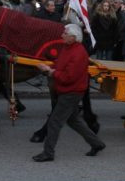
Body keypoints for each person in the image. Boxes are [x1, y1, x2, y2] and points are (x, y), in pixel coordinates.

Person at [32, 23, 105, 162]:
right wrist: (49, 67)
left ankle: (48, 153)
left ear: (73, 37)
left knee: (54, 122)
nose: (62, 35)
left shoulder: (78, 53)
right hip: (70, 90)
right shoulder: (68, 48)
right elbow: (60, 65)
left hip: (71, 92)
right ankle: (97, 144)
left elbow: (68, 77)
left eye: (65, 33)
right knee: (74, 121)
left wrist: (50, 72)